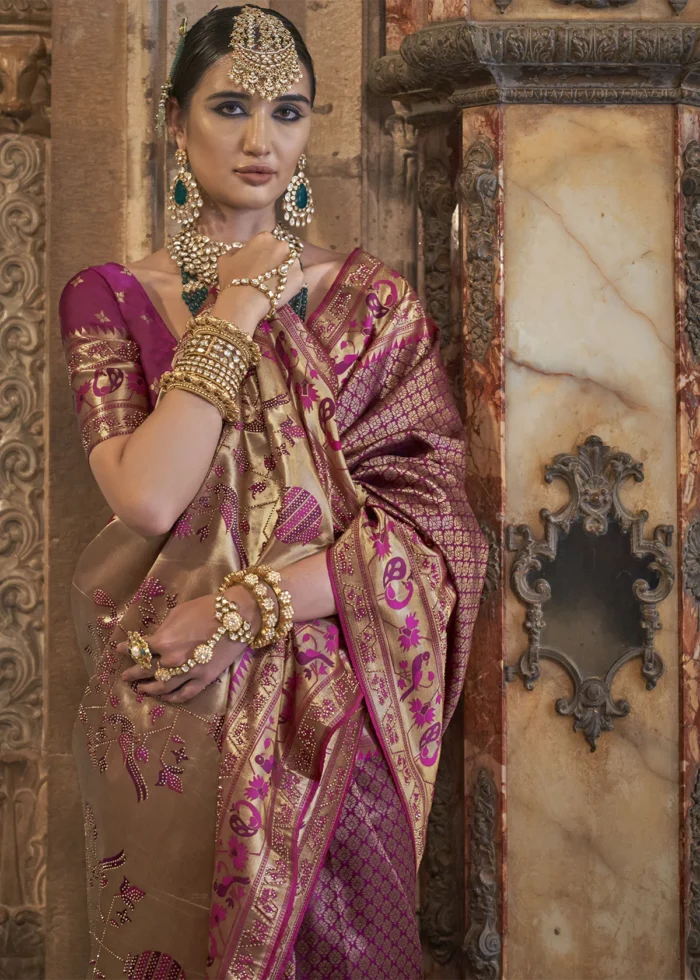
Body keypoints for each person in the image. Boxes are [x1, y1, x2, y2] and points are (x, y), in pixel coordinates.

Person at [58, 6, 487, 979]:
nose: (261, 139)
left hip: (332, 710)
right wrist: (240, 301)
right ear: (175, 121)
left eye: (287, 110)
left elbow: (432, 534)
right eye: (231, 106)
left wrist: (248, 603)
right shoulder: (112, 293)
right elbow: (150, 498)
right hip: (170, 705)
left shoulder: (375, 305)